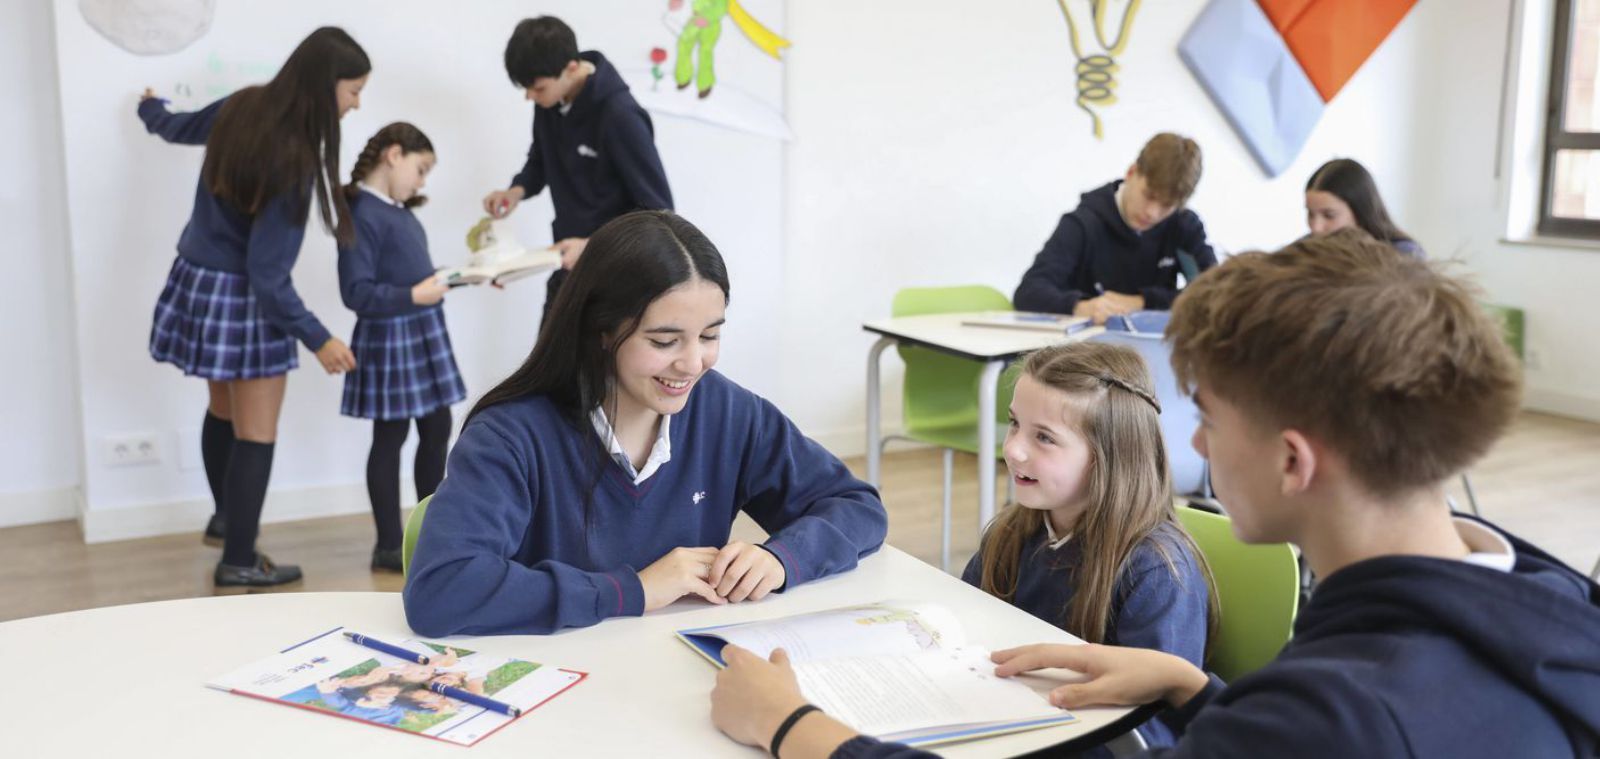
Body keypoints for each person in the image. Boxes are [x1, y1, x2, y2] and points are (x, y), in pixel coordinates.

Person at [708, 229, 1600, 758]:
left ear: (1293, 460)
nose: (1195, 445)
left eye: (1207, 416)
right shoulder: (1549, 603)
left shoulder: (1336, 715)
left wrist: (795, 727)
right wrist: (1189, 684)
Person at [404, 211, 887, 636]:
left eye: (710, 336)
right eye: (664, 341)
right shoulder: (510, 436)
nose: (693, 363)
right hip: (560, 686)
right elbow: (442, 590)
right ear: (601, 331)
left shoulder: (728, 412)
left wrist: (783, 559)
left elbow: (857, 506)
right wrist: (632, 590)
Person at [137, 27, 369, 587]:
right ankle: (238, 559)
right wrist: (319, 338)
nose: (356, 103)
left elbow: (176, 126)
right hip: (242, 295)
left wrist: (150, 107)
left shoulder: (242, 106)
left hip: (198, 281)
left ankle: (226, 521)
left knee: (223, 409)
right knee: (257, 431)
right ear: (324, 86)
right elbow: (268, 277)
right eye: (353, 90)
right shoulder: (293, 160)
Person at [963, 340, 1214, 748]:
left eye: (1044, 437)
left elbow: (1150, 731)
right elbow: (963, 636)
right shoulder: (1010, 534)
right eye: (1014, 423)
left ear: (1109, 455)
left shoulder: (1156, 572)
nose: (1013, 449)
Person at [481, 16, 673, 320]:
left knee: (595, 352)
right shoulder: (549, 103)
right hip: (567, 261)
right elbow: (540, 159)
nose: (530, 96)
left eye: (538, 88)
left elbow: (659, 211)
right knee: (547, 350)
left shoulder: (620, 115)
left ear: (571, 69)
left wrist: (590, 246)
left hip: (615, 273)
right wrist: (516, 191)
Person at [337, 122, 463, 572]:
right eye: (421, 169)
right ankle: (390, 545)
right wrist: (414, 295)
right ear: (394, 155)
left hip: (421, 330)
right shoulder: (361, 212)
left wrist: (454, 278)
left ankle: (428, 533)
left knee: (436, 426)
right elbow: (356, 292)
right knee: (390, 436)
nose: (422, 182)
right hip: (390, 336)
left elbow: (408, 272)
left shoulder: (398, 211)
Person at [1014, 133, 1217, 325]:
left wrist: (1142, 302)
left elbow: (1214, 295)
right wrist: (1081, 307)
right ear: (1131, 173)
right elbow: (1029, 293)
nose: (1152, 213)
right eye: (1149, 195)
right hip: (1090, 345)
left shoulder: (1184, 227)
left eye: (1167, 205)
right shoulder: (1083, 224)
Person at [1304, 157, 1424, 258]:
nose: (1316, 228)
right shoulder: (1303, 250)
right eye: (1311, 214)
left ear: (1360, 212)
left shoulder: (1403, 256)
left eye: (1329, 215)